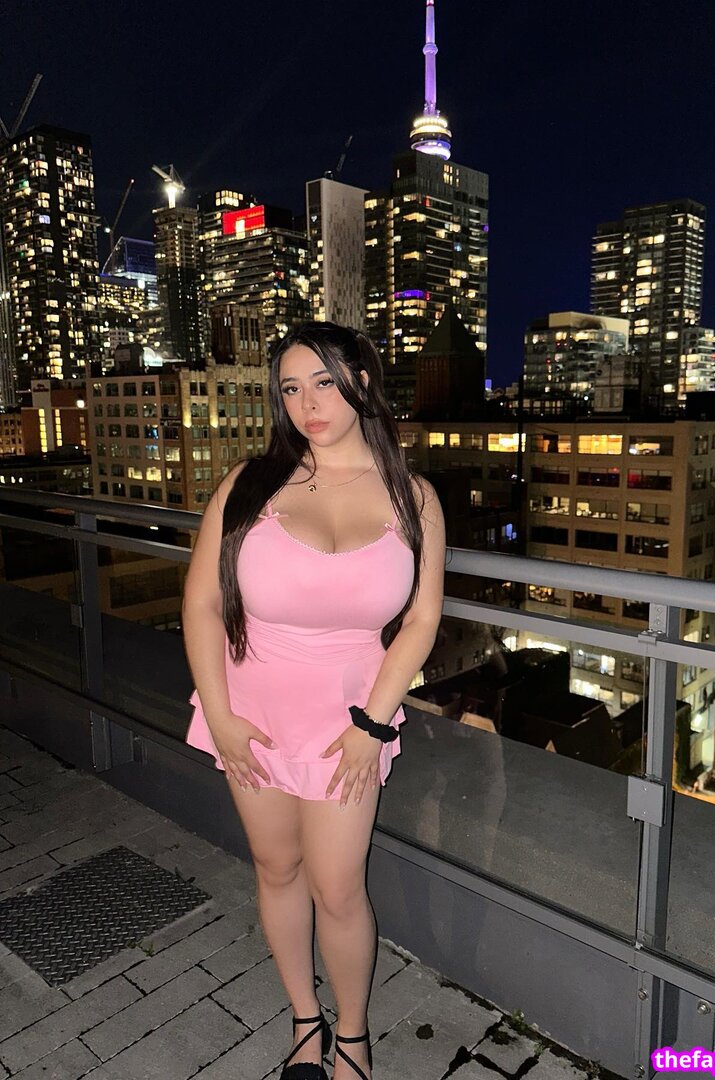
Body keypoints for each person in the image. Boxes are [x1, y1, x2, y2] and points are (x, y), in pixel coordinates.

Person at [182, 321, 446, 1080]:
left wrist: (373, 724)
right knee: (276, 869)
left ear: (362, 381)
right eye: (292, 388)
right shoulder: (249, 483)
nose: (308, 404)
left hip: (349, 723)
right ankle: (305, 1018)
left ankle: (353, 1035)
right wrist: (220, 717)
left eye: (324, 382)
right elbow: (201, 603)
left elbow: (421, 620)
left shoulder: (414, 497)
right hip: (251, 713)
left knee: (338, 887)